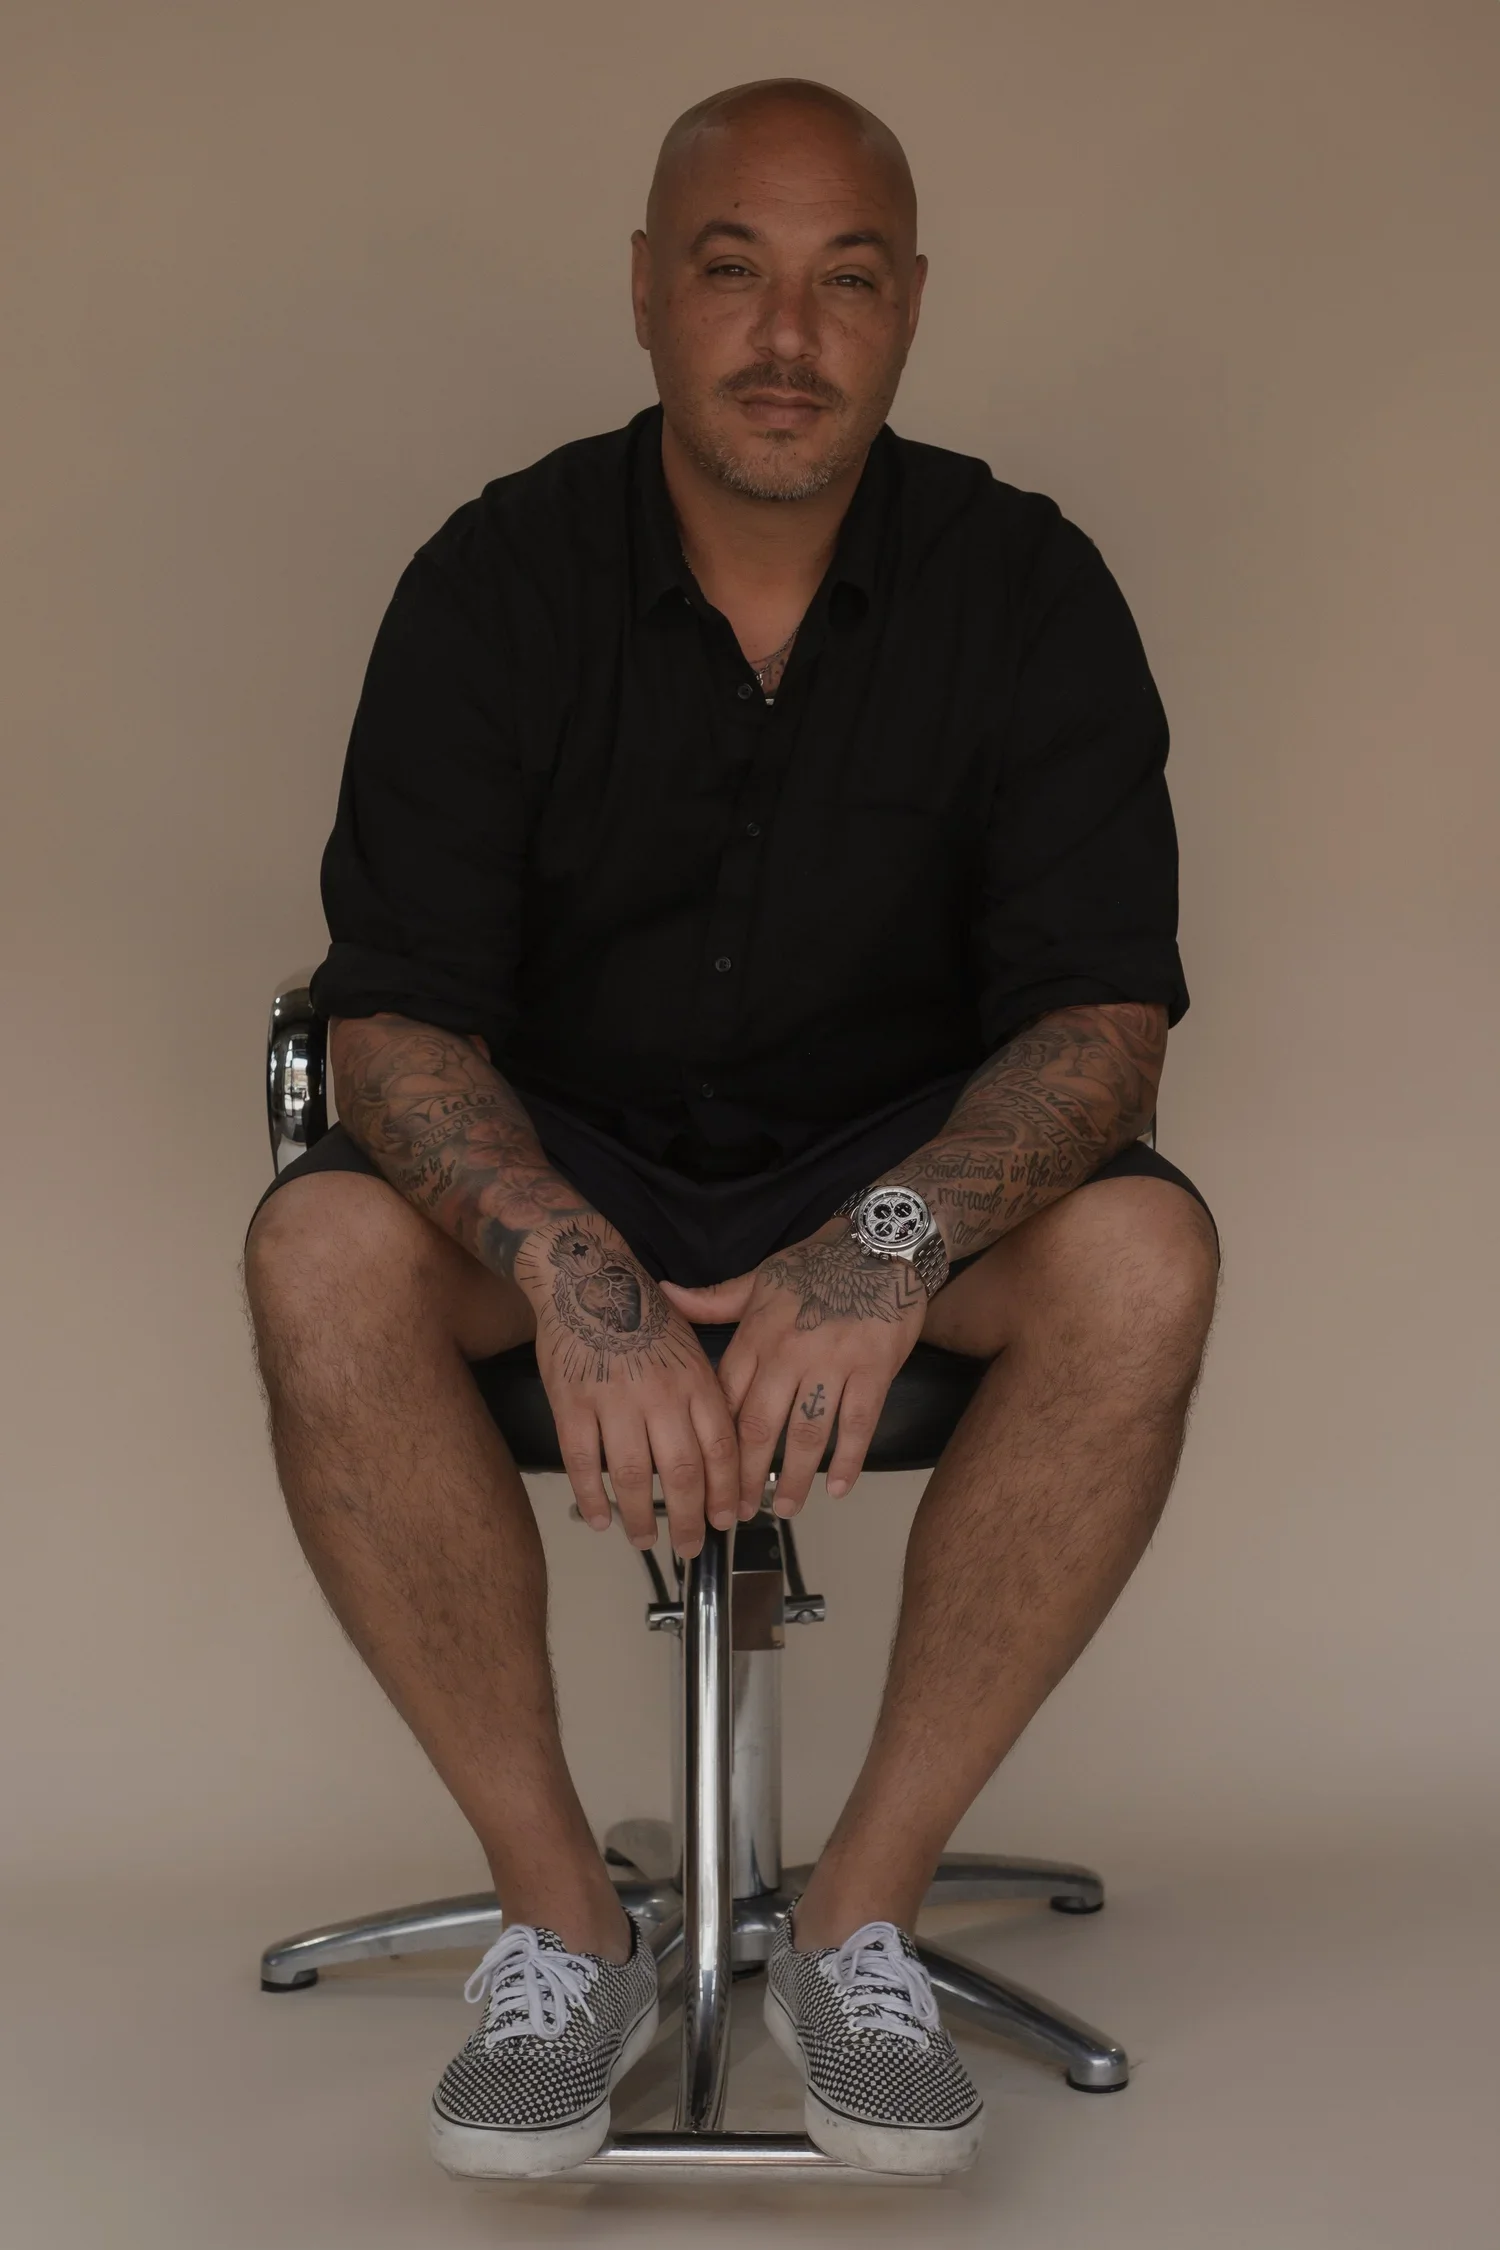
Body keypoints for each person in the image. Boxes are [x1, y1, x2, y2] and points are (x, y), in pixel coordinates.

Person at [242, 76, 1220, 2181]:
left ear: (912, 307)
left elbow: (1103, 1024)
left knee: (1148, 1253)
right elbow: (393, 1021)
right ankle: (562, 1925)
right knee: (316, 1244)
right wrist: (572, 1271)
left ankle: (859, 1918)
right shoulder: (494, 581)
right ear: (644, 295)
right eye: (732, 272)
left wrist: (884, 1244)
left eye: (845, 282)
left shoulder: (1027, 588)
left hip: (899, 1181)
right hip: (559, 1175)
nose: (788, 336)